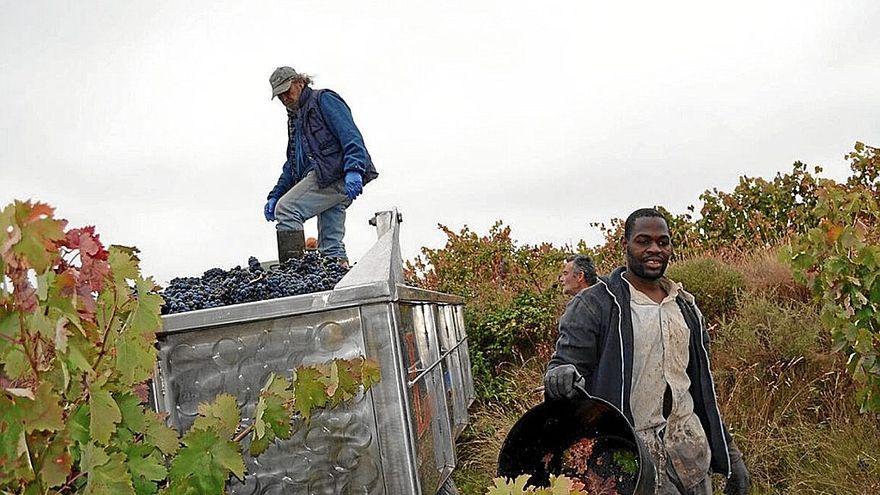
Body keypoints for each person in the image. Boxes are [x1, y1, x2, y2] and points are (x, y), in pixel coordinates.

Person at [544, 208, 750, 495]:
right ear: (625, 245)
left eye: (662, 242)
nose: (655, 249)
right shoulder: (596, 305)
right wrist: (560, 376)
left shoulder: (685, 307)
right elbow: (565, 365)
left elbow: (701, 389)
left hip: (689, 448)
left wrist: (731, 456)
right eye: (643, 241)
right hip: (632, 454)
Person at [263, 66, 378, 265]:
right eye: (279, 96)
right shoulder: (295, 119)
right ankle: (337, 277)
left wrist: (354, 169)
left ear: (300, 83)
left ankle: (293, 277)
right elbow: (292, 164)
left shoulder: (323, 100)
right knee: (331, 246)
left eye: (286, 92)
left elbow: (350, 135)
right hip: (323, 178)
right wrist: (275, 194)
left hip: (337, 175)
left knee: (287, 209)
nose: (284, 99)